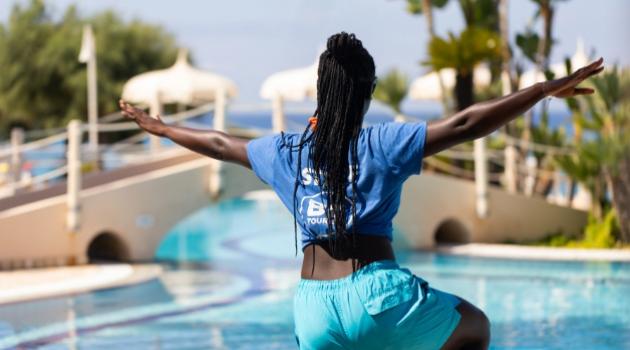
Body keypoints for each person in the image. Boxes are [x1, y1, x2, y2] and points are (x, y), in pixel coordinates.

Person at [119, 32, 603, 350]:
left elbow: (221, 144)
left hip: (312, 309)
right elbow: (466, 123)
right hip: (378, 300)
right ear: (367, 92)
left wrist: (160, 129)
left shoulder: (284, 150)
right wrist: (542, 90)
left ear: (321, 90)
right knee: (475, 325)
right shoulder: (382, 143)